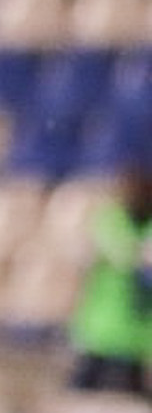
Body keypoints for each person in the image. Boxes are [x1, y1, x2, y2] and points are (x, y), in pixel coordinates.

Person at [68, 165, 152, 397]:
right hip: (103, 329)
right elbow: (122, 254)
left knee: (131, 400)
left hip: (139, 336)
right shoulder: (109, 218)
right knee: (84, 395)